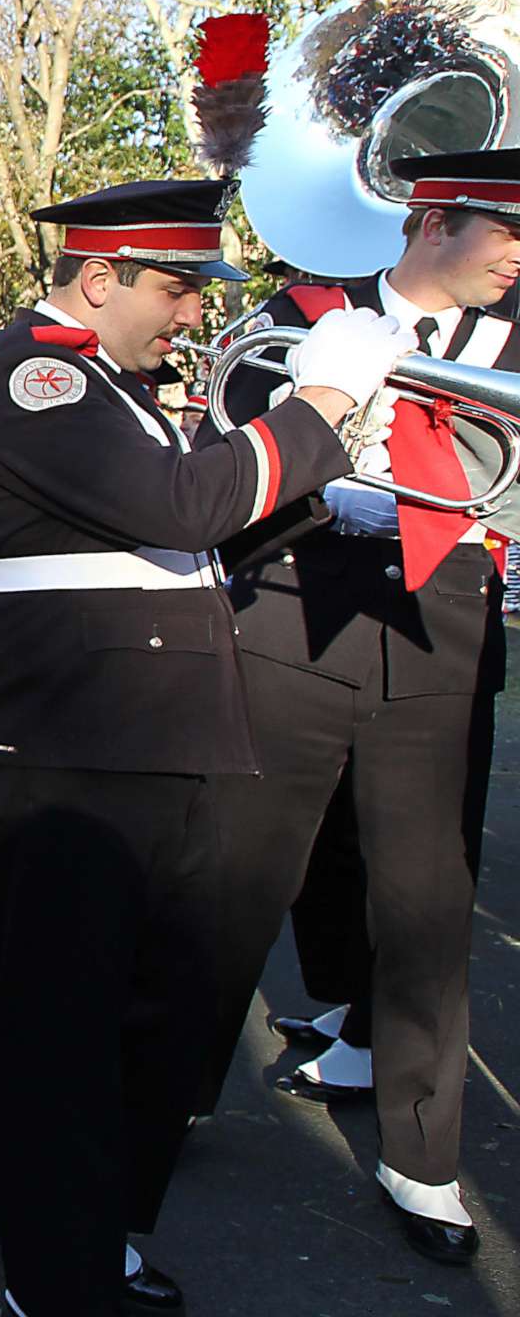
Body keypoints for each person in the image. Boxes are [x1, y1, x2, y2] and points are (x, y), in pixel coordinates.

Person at [0, 179, 401, 1317]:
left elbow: (176, 544)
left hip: (142, 741)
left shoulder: (108, 387)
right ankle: (55, 1272)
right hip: (71, 750)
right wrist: (320, 402)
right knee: (64, 1030)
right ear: (102, 277)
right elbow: (180, 509)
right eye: (179, 289)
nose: (193, 317)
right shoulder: (38, 381)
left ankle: (83, 1223)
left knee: (144, 1013)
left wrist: (322, 498)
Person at [201, 145, 520, 1264]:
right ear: (434, 220)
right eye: (506, 232)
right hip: (292, 618)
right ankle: (172, 1084)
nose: (519, 258)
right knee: (239, 873)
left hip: (446, 635)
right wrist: (337, 482)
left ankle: (424, 1160)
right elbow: (226, 469)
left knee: (429, 904)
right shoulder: (302, 316)